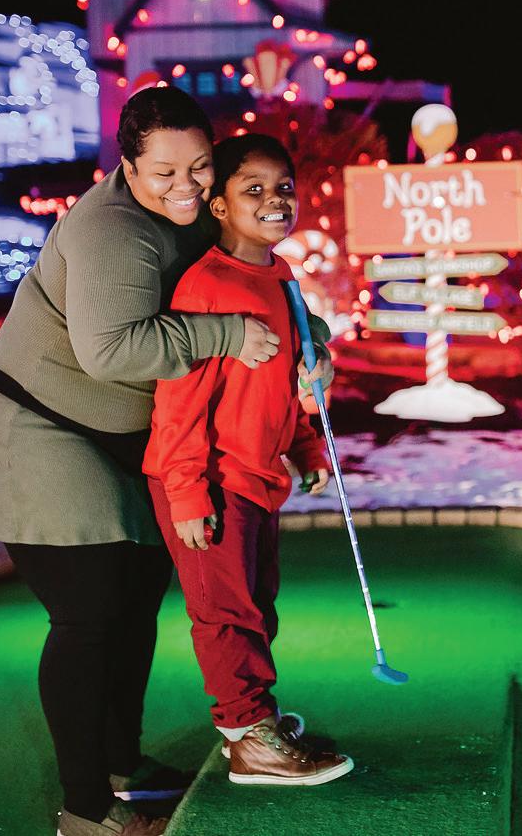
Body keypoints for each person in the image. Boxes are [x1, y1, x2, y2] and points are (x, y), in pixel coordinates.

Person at [0, 89, 333, 836]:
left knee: (136, 597)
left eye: (199, 167)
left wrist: (310, 339)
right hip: (39, 428)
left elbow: (256, 282)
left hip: (131, 439)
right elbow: (111, 351)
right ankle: (84, 810)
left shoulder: (197, 215)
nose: (185, 186)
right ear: (126, 166)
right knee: (90, 611)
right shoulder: (112, 231)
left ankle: (123, 765)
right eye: (164, 172)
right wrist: (226, 337)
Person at [144, 134, 354, 787]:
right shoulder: (207, 284)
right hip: (208, 480)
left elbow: (286, 380)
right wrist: (186, 492)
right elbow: (179, 400)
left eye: (283, 186)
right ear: (219, 205)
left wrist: (305, 444)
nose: (274, 199)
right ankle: (248, 740)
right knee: (225, 613)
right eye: (253, 188)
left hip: (258, 475)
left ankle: (256, 719)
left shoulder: (281, 275)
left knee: (258, 605)